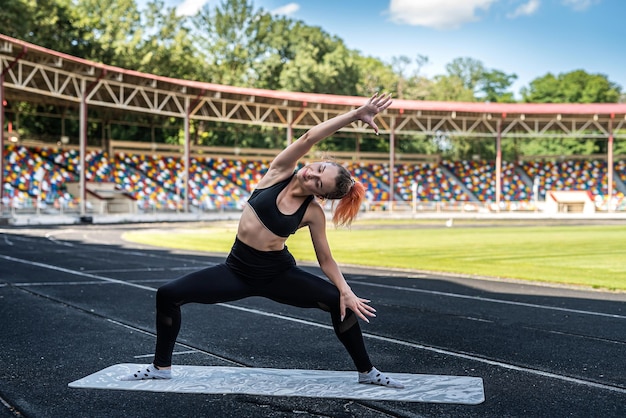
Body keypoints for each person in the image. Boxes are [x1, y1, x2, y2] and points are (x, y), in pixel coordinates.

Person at [121, 92, 404, 388]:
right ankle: (160, 368)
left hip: (277, 274)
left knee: (339, 303)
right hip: (236, 270)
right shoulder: (279, 172)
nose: (312, 175)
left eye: (319, 183)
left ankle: (367, 372)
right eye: (318, 169)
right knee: (167, 294)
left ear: (320, 193)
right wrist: (355, 114)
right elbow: (308, 137)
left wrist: (345, 290)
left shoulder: (313, 212)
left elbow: (325, 259)